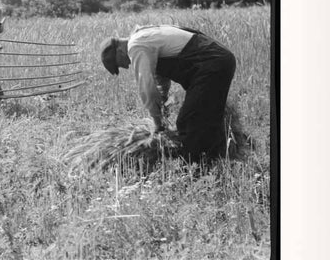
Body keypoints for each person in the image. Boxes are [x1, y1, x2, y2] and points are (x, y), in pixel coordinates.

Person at [100, 25, 236, 162]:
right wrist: (163, 108)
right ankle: (215, 160)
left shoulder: (136, 46)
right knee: (208, 117)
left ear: (119, 51)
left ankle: (193, 167)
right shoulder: (145, 36)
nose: (125, 66)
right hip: (218, 59)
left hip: (211, 63)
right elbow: (161, 82)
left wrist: (157, 123)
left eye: (118, 64)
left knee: (189, 121)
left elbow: (147, 88)